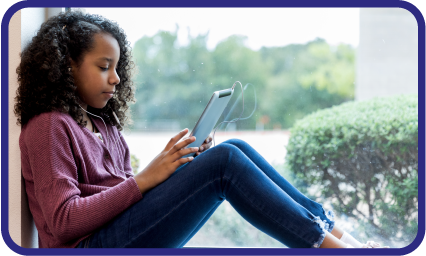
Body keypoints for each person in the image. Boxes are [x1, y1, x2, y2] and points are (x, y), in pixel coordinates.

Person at [14, 11, 388, 249]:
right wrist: (145, 180)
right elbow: (63, 222)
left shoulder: (100, 122)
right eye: (103, 66)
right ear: (66, 67)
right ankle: (330, 248)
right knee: (224, 162)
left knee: (233, 149)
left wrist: (175, 169)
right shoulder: (49, 126)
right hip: (92, 246)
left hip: (117, 232)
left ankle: (339, 237)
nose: (115, 78)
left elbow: (123, 196)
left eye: (118, 68)